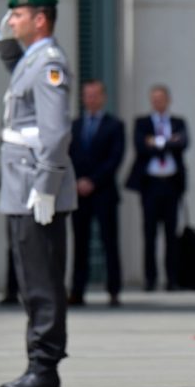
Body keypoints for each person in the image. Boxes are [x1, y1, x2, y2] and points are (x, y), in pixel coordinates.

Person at [0, 0, 76, 387]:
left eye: (18, 14)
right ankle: (39, 363)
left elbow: (55, 132)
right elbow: (10, 59)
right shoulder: (31, 59)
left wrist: (46, 186)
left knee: (42, 281)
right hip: (21, 185)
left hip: (35, 188)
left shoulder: (48, 63)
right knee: (30, 279)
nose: (12, 20)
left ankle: (44, 367)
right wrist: (5, 31)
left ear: (40, 19)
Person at [125, 84, 189, 291]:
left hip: (171, 184)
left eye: (161, 99)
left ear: (168, 100)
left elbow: (183, 143)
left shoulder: (178, 122)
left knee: (171, 234)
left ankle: (172, 279)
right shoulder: (142, 123)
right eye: (154, 99)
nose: (157, 102)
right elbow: (141, 146)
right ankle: (150, 279)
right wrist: (168, 142)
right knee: (149, 233)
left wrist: (156, 142)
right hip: (150, 185)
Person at [69, 79, 125, 306]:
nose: (91, 99)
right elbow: (68, 156)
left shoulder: (115, 125)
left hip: (104, 193)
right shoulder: (74, 126)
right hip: (78, 194)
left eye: (95, 95)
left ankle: (113, 290)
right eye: (87, 95)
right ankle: (77, 290)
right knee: (79, 243)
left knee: (109, 242)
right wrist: (77, 181)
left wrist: (93, 181)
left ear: (103, 98)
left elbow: (115, 158)